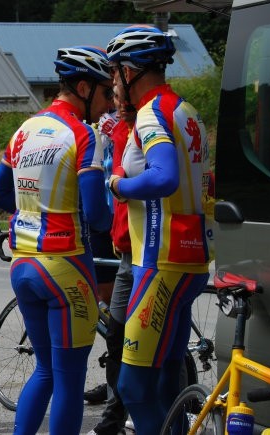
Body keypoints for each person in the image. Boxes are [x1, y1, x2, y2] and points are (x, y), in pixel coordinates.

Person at [0, 46, 113, 435]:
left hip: (24, 265)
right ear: (82, 87)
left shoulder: (24, 130)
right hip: (65, 268)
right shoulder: (84, 134)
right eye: (105, 92)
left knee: (44, 371)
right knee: (70, 382)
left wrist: (36, 212)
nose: (109, 103)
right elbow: (97, 217)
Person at [105, 25, 214, 435]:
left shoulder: (151, 113)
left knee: (133, 387)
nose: (114, 81)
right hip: (192, 257)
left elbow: (164, 177)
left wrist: (119, 186)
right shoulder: (187, 110)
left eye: (116, 73)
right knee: (169, 373)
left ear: (131, 71)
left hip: (160, 260)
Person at [87, 89, 137, 435]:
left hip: (112, 224)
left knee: (113, 317)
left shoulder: (117, 125)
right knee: (112, 318)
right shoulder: (97, 124)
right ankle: (115, 386)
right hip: (109, 225)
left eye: (113, 91)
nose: (111, 98)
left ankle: (118, 394)